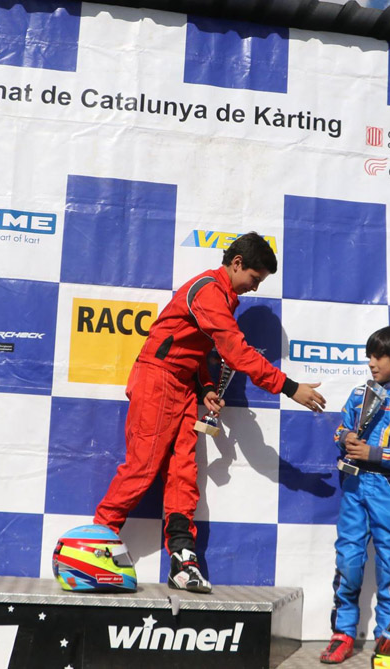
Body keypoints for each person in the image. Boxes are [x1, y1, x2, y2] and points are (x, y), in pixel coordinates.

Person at [94, 232, 326, 593]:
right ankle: (95, 542)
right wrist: (290, 387)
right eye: (255, 278)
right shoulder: (208, 291)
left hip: (183, 386)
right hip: (158, 380)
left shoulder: (222, 295)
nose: (254, 287)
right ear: (237, 264)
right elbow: (235, 350)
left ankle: (182, 560)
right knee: (142, 466)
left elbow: (198, 347)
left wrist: (204, 386)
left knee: (183, 473)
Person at [320, 325, 390, 664]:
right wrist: (345, 440)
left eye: (378, 356)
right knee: (349, 560)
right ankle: (342, 633)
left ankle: (388, 637)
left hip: (389, 489)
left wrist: (375, 454)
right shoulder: (359, 394)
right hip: (354, 487)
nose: (371, 362)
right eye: (369, 355)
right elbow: (341, 428)